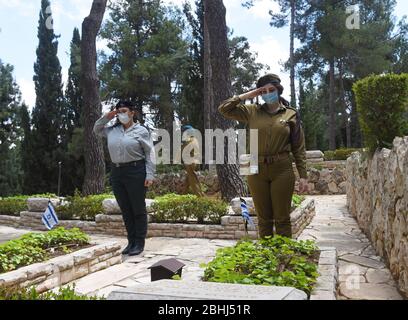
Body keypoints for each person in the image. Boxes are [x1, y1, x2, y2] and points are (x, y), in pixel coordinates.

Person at [218, 73, 309, 238]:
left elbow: (298, 147)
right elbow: (224, 108)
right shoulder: (251, 111)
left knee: (282, 218)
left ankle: (284, 256)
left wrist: (303, 175)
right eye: (264, 91)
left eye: (271, 89)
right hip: (254, 167)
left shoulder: (291, 114)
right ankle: (268, 257)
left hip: (282, 168)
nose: (268, 93)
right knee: (263, 219)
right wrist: (248, 95)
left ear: (278, 90)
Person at [93, 100, 155, 255]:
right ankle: (131, 242)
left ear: (132, 113)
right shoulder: (112, 130)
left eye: (124, 111)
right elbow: (96, 128)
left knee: (138, 209)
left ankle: (139, 243)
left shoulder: (142, 131)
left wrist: (150, 174)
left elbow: (149, 153)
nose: (121, 114)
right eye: (119, 111)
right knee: (126, 209)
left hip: (136, 171)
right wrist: (108, 116)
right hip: (117, 172)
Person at [181, 125, 205, 197]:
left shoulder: (189, 140)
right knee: (189, 178)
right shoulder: (194, 139)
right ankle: (184, 194)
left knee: (193, 180)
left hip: (190, 161)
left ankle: (199, 196)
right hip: (194, 161)